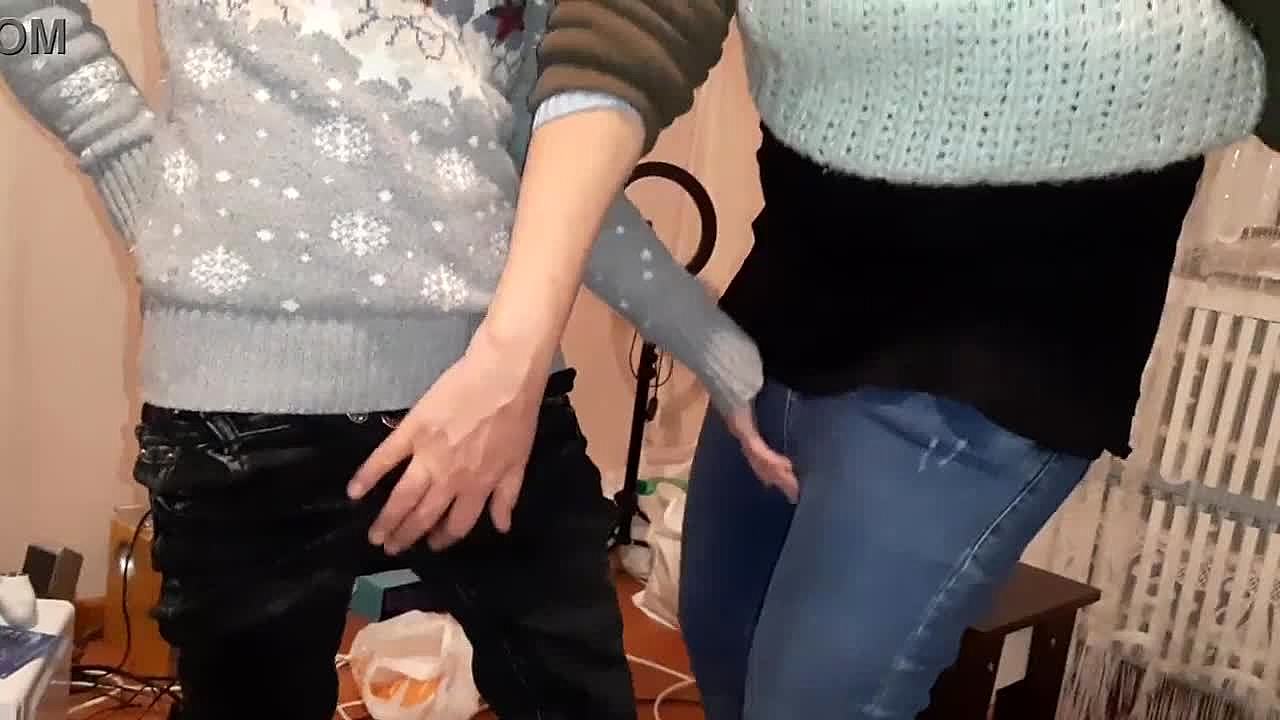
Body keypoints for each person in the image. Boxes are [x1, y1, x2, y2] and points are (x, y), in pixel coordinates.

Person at [390, 1, 1277, 718]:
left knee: (813, 701)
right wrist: (520, 352)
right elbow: (627, 32)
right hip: (784, 322)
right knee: (725, 654)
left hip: (1000, 357)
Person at [0, 1, 778, 718]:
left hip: (494, 393)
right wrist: (125, 159)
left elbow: (557, 162)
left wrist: (716, 349)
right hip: (239, 413)